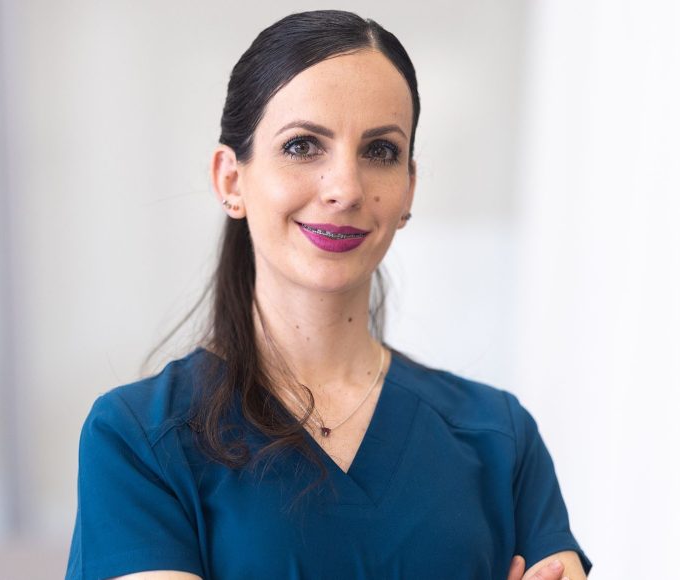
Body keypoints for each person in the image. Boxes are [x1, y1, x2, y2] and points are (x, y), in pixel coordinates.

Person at [65, 10, 590, 580]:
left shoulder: (499, 438)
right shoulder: (140, 439)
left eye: (381, 151)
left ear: (409, 188)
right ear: (230, 179)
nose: (345, 188)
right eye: (302, 146)